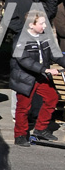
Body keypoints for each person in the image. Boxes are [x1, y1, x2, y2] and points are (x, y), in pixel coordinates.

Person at [10, 13, 65, 146]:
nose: (45, 26)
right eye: (41, 23)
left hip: (40, 76)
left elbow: (56, 55)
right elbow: (24, 60)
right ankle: (20, 135)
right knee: (23, 107)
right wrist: (45, 70)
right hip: (25, 77)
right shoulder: (20, 39)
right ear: (31, 25)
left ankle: (40, 129)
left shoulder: (44, 37)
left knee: (52, 98)